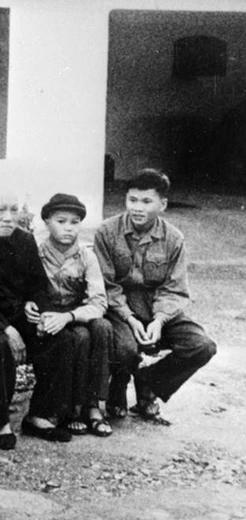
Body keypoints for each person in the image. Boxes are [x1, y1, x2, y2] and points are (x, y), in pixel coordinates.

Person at [93, 169, 216, 422]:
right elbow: (106, 284)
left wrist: (159, 320)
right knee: (125, 349)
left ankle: (149, 382)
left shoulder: (174, 238)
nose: (137, 208)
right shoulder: (106, 232)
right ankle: (118, 385)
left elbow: (174, 288)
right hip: (119, 311)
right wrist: (130, 318)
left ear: (163, 204)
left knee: (201, 346)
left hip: (158, 311)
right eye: (132, 200)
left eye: (147, 201)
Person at [0, 184, 75, 445]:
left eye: (14, 210)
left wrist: (39, 308)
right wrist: (6, 328)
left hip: (18, 313)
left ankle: (39, 415)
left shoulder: (23, 239)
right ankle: (0, 423)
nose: (8, 217)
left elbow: (38, 285)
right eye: (0, 210)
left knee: (60, 338)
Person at [35, 193, 113, 437]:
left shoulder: (86, 256)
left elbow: (98, 301)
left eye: (75, 222)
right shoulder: (37, 253)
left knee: (102, 328)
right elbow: (26, 287)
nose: (68, 228)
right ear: (47, 221)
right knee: (80, 337)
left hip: (77, 314)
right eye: (61, 221)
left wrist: (70, 316)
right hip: (49, 316)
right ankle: (72, 408)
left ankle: (94, 406)